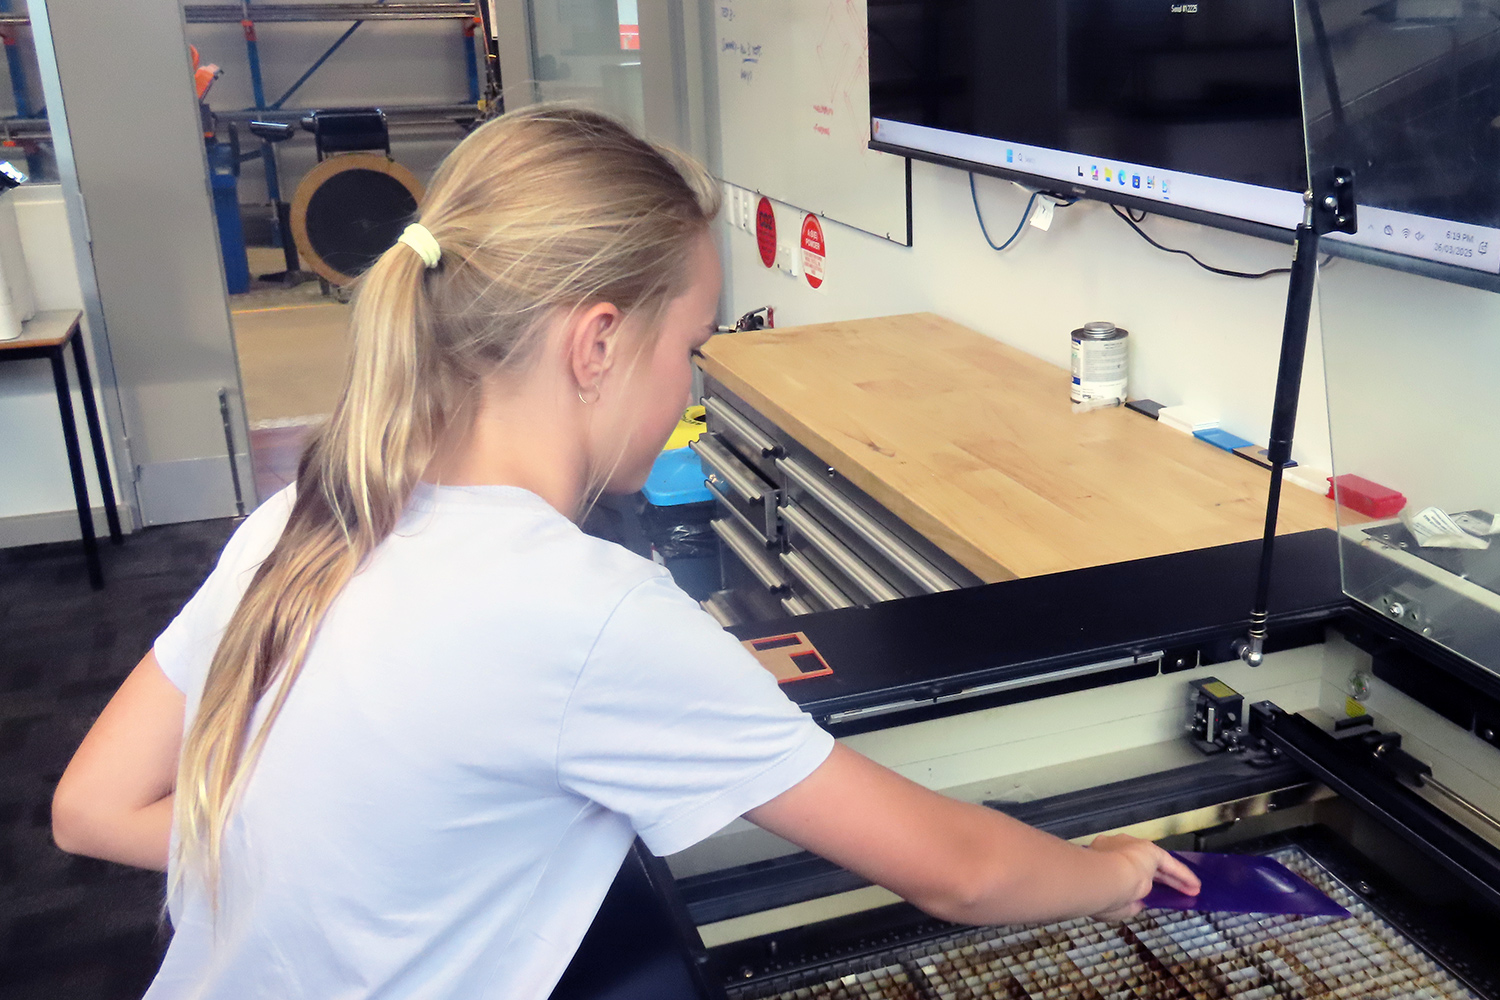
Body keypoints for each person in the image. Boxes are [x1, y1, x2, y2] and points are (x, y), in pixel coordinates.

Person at [50, 105, 1198, 998]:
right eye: (690, 343)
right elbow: (959, 870)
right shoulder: (584, 610)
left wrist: (335, 869)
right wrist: (1112, 871)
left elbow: (92, 808)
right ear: (597, 342)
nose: (690, 384)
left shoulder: (300, 521)